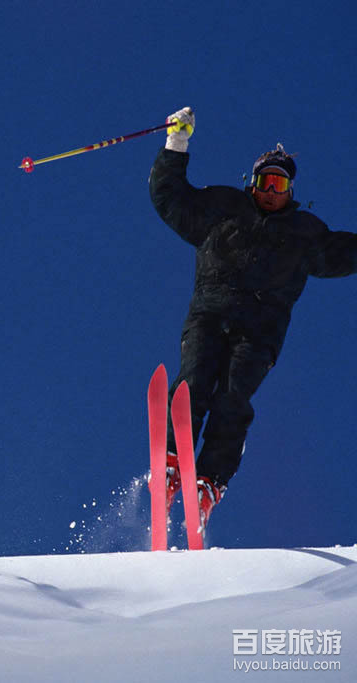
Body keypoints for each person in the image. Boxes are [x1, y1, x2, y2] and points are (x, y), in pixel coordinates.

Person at [149, 106, 357, 532]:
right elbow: (171, 199)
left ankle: (208, 481)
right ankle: (172, 458)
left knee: (233, 398)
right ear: (253, 182)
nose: (270, 191)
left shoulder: (305, 234)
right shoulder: (223, 209)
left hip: (259, 332)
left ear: (290, 189)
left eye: (279, 183)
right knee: (194, 379)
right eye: (265, 181)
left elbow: (346, 253)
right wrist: (176, 144)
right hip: (211, 313)